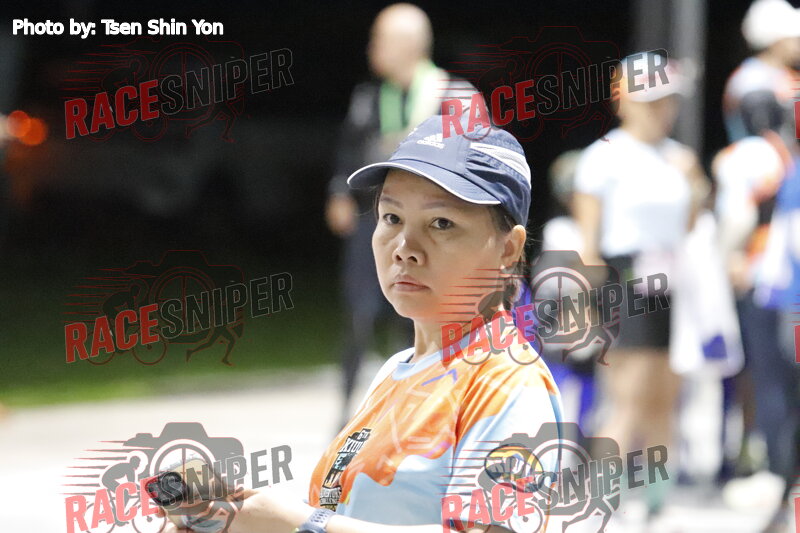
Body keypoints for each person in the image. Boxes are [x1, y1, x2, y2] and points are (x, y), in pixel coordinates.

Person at [160, 116, 562, 533]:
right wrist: (244, 520)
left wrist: (301, 522)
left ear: (509, 248)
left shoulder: (508, 381)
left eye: (441, 223)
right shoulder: (397, 371)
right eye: (391, 217)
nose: (405, 247)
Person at [324, 3, 478, 427]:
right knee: (358, 312)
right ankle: (347, 414)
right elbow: (349, 148)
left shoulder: (456, 95)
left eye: (380, 40)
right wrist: (338, 192)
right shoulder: (370, 95)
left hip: (434, 229)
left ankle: (420, 407)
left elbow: (479, 161)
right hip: (375, 222)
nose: (372, 48)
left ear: (408, 45)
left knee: (417, 312)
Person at [572, 52, 706, 517]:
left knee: (665, 396)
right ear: (623, 99)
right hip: (625, 278)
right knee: (627, 394)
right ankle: (597, 497)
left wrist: (695, 183)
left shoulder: (678, 158)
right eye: (651, 100)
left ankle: (657, 501)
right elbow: (589, 241)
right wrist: (589, 301)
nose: (661, 111)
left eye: (667, 101)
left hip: (672, 280)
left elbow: (689, 226)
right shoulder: (604, 156)